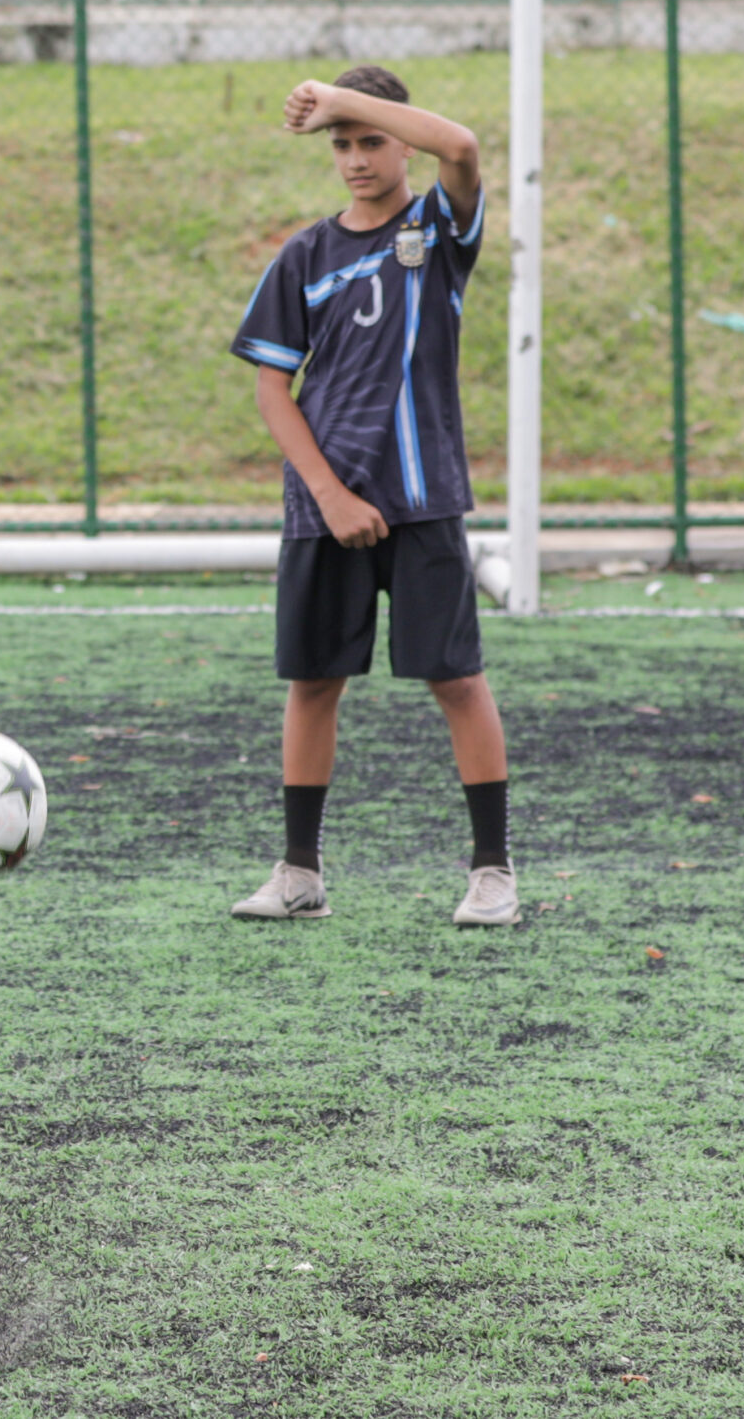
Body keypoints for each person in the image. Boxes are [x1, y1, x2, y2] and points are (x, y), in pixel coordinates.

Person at [227, 65, 518, 928]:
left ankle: (493, 872)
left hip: (424, 500)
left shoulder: (439, 225)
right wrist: (329, 495)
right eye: (341, 143)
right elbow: (273, 392)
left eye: (371, 139)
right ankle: (299, 872)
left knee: (457, 680)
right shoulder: (306, 255)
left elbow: (460, 146)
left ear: (399, 141)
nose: (355, 157)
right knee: (313, 684)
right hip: (326, 507)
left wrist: (343, 95)